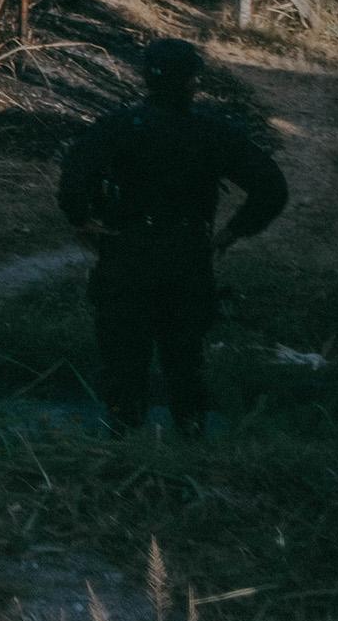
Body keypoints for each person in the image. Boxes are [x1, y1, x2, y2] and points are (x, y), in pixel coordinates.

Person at [56, 37, 289, 436]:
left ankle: (123, 432)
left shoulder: (118, 127)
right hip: (187, 252)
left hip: (127, 250)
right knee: (184, 353)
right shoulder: (213, 132)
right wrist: (232, 232)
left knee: (123, 351)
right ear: (193, 81)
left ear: (145, 78)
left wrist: (85, 221)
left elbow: (74, 179)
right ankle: (190, 431)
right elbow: (271, 187)